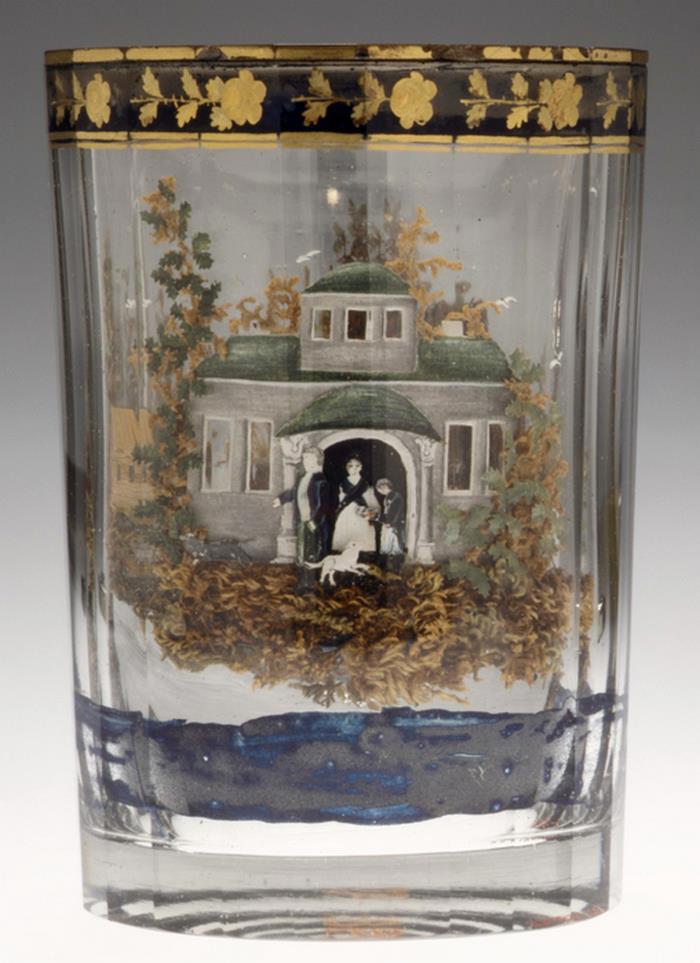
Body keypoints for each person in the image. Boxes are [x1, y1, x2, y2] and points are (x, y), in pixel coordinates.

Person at [273, 446, 332, 591]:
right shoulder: (303, 478)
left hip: (315, 524)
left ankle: (312, 585)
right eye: (304, 458)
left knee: (313, 553)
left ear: (317, 460)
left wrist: (315, 522)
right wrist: (281, 499)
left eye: (308, 458)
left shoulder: (320, 480)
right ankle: (303, 582)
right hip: (303, 522)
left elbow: (324, 505)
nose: (305, 461)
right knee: (302, 551)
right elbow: (295, 492)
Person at [331, 455, 379, 554]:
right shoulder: (343, 484)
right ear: (347, 468)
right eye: (351, 466)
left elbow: (370, 499)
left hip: (360, 510)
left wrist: (369, 512)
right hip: (347, 510)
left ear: (361, 467)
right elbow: (341, 499)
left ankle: (362, 554)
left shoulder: (364, 483)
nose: (354, 469)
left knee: (361, 530)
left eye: (357, 466)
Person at [375, 478, 405, 571]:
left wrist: (390, 523)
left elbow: (396, 513)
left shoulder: (396, 497)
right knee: (388, 545)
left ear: (384, 487)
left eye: (380, 489)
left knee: (394, 546)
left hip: (394, 526)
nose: (380, 492)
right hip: (389, 524)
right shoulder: (388, 497)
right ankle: (390, 567)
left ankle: (396, 568)